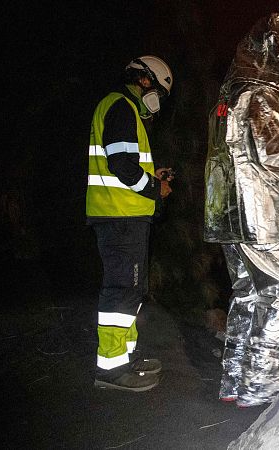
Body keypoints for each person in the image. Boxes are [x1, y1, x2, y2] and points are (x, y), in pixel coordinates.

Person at [204, 13, 279, 407]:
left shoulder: (228, 100)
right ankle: (259, 383)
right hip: (259, 218)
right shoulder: (262, 97)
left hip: (226, 218)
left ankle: (234, 380)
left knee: (247, 294)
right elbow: (274, 158)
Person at [86, 55, 174, 391]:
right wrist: (156, 187)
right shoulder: (122, 106)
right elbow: (122, 165)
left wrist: (153, 176)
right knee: (122, 289)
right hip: (119, 217)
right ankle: (109, 369)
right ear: (146, 80)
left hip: (122, 216)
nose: (158, 104)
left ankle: (125, 357)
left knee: (131, 290)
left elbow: (123, 165)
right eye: (160, 94)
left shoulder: (122, 109)